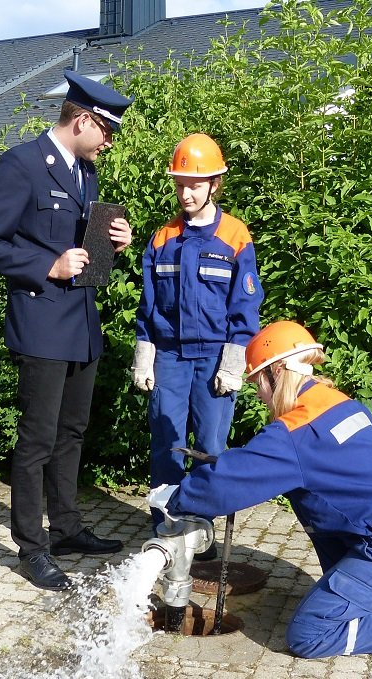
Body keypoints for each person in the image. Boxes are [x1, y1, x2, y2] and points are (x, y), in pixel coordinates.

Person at [148, 320, 372, 661]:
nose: (258, 394)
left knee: (309, 634)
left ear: (277, 371)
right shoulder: (336, 401)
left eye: (258, 382)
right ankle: (368, 598)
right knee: (330, 572)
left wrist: (177, 498)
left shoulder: (297, 432)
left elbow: (229, 483)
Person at [0, 69, 134, 591]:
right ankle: (32, 548)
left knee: (71, 434)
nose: (109, 142)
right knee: (37, 440)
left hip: (81, 324)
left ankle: (66, 530)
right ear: (82, 120)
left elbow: (84, 252)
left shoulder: (86, 173)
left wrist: (113, 246)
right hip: (41, 323)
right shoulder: (21, 164)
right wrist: (48, 266)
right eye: (107, 131)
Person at [131, 133, 264, 552]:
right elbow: (148, 305)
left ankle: (201, 533)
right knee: (166, 445)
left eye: (195, 184)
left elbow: (245, 306)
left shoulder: (236, 235)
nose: (186, 193)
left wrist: (233, 363)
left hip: (213, 360)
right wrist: (144, 356)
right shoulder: (162, 238)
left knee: (209, 448)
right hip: (169, 357)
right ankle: (167, 530)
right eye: (180, 184)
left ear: (214, 184)